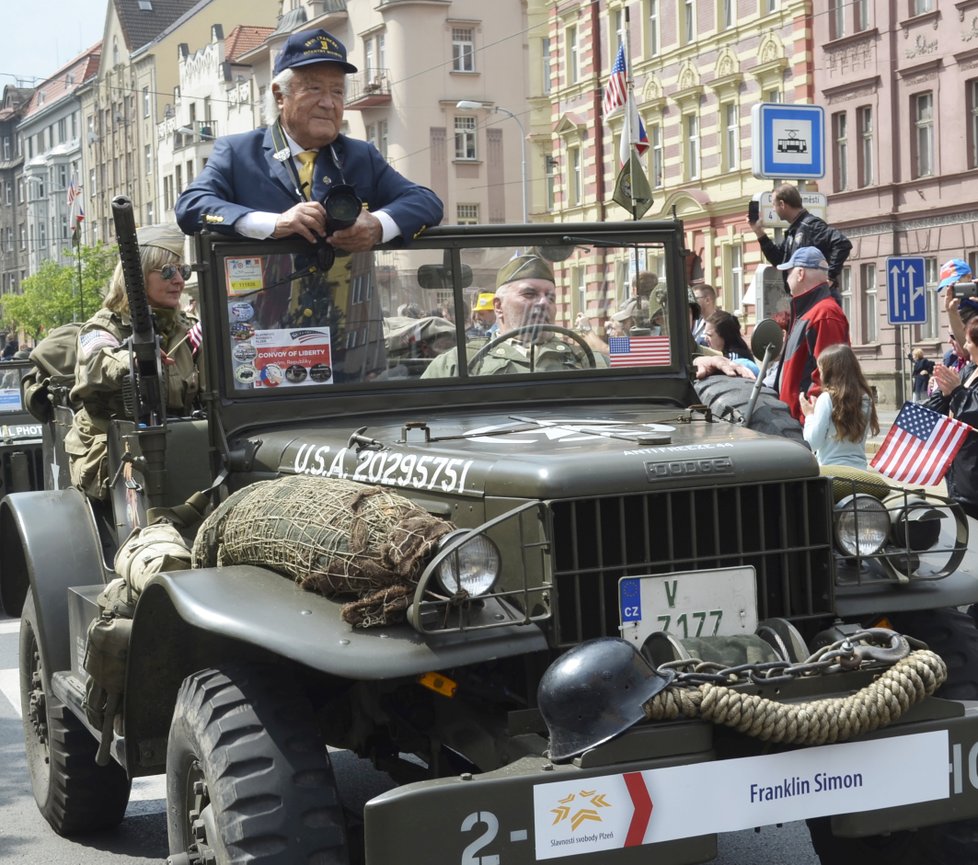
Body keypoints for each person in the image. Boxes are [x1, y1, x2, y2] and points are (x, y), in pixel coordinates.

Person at [174, 28, 443, 251]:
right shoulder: (239, 152)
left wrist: (377, 225)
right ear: (280, 96)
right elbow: (190, 206)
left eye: (337, 91)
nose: (328, 103)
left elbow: (426, 202)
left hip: (350, 312)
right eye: (314, 88)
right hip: (261, 312)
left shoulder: (360, 156)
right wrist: (273, 224)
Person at [65, 224, 200, 500]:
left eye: (182, 271)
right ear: (137, 278)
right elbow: (97, 360)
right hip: (121, 456)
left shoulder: (187, 329)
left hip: (184, 445)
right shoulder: (102, 327)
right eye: (166, 271)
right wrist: (132, 359)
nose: (178, 281)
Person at [422, 254, 608, 377]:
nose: (544, 303)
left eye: (550, 297)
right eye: (529, 294)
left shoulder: (585, 360)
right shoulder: (459, 363)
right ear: (498, 306)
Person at [772, 247, 851, 423]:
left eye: (789, 272)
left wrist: (808, 419)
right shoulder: (811, 312)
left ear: (800, 273)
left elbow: (829, 376)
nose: (787, 279)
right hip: (797, 422)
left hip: (805, 424)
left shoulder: (824, 313)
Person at [747, 183, 852, 293]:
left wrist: (830, 277)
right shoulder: (794, 230)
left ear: (782, 204)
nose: (773, 209)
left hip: (817, 296)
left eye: (774, 205)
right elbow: (778, 260)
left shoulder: (811, 225)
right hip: (804, 297)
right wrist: (759, 232)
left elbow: (842, 243)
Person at [928, 314, 978, 519]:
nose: (965, 346)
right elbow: (935, 411)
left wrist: (956, 392)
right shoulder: (969, 370)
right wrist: (942, 390)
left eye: (968, 341)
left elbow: (973, 412)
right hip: (960, 480)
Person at [799, 343, 879, 469]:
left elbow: (813, 443)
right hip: (859, 472)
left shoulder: (826, 399)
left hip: (832, 473)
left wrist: (809, 415)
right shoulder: (866, 398)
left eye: (820, 370)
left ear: (829, 373)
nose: (819, 375)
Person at [704, 310, 759, 376]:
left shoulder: (733, 361)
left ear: (724, 335)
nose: (705, 339)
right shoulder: (733, 353)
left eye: (709, 335)